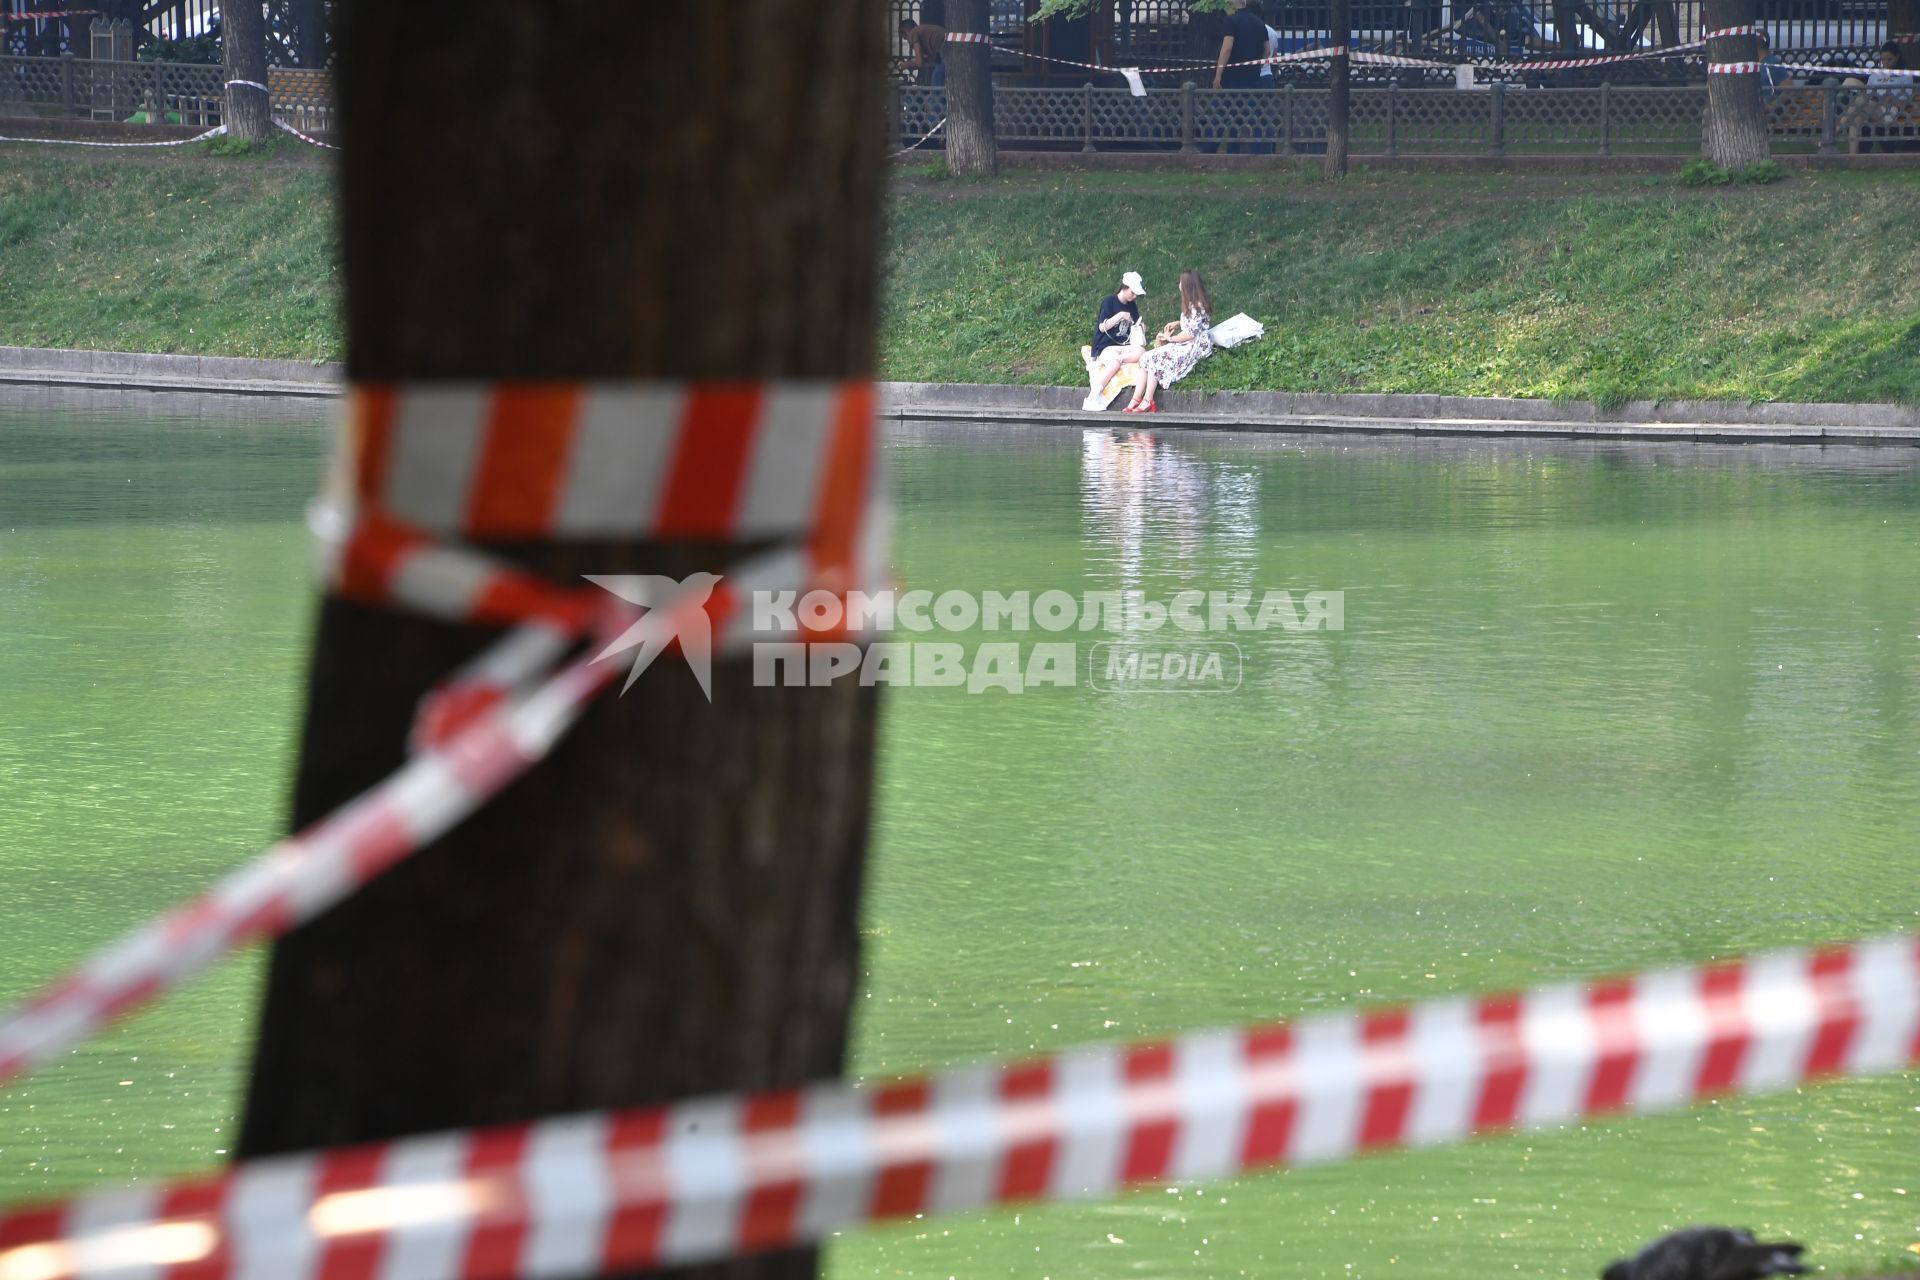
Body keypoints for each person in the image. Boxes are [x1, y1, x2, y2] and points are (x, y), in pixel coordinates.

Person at [1123, 270, 1214, 414]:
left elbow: (1190, 334)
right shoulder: (1192, 304)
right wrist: (1178, 323)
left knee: (1156, 357)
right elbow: (1191, 324)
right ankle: (1136, 398)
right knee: (1147, 356)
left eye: (1180, 282)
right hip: (1187, 341)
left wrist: (1170, 339)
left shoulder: (1197, 307)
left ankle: (1147, 399)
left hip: (1194, 345)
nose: (1178, 285)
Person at [1211, 0, 1272, 152]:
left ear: (1232, 3)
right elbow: (1267, 51)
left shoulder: (1231, 21)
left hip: (1231, 78)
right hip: (1252, 76)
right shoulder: (1259, 23)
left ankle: (1207, 149)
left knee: (1220, 116)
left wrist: (1218, 74)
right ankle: (1260, 152)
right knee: (1252, 117)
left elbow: (1227, 49)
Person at [1085, 271, 1147, 402]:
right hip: (1107, 345)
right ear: (1124, 288)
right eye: (1132, 292)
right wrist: (1120, 316)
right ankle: (1095, 392)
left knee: (1142, 352)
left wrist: (1141, 327)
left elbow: (1136, 323)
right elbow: (1102, 327)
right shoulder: (1109, 301)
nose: (1134, 296)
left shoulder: (1132, 305)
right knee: (1113, 364)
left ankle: (1121, 359)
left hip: (1124, 346)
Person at [900, 16, 947, 86]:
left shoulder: (913, 33)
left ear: (907, 31)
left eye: (906, 38)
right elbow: (925, 59)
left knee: (936, 77)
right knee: (938, 73)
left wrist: (906, 64)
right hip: (948, 47)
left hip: (946, 50)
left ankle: (936, 96)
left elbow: (920, 63)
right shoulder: (921, 31)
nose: (909, 41)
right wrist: (914, 62)